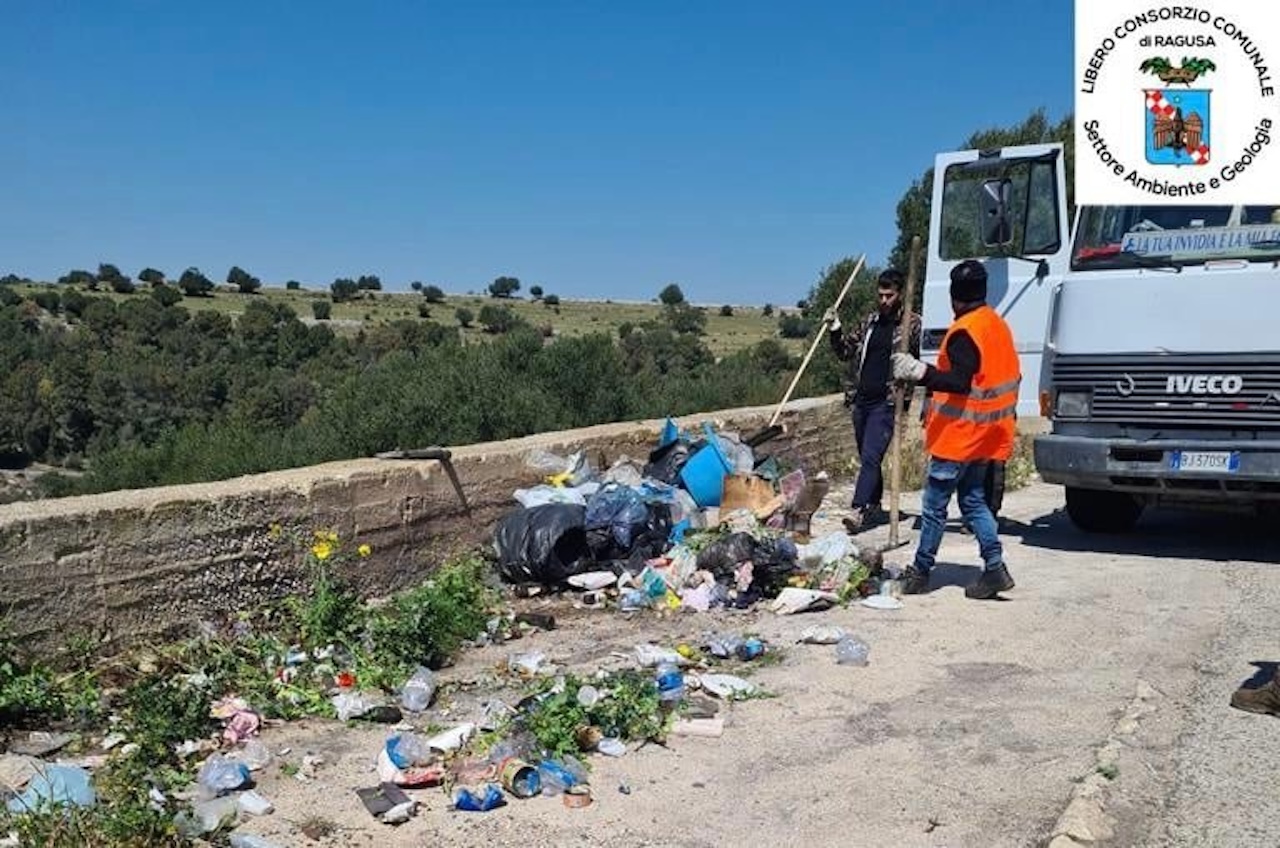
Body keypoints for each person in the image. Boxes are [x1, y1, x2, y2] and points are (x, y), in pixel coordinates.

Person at [889, 259, 1020, 600]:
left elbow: (960, 382)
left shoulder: (964, 332)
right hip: (986, 436)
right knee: (974, 502)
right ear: (984, 290)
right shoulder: (997, 325)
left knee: (934, 507)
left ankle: (920, 572)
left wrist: (920, 372)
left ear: (953, 295)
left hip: (959, 436)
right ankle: (994, 568)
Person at [824, 269, 921, 534]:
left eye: (889, 295)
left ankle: (858, 509)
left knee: (870, 455)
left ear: (900, 294)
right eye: (880, 295)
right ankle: (875, 504)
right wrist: (834, 328)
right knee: (868, 457)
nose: (884, 300)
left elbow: (922, 362)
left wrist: (913, 381)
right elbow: (845, 351)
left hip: (888, 402)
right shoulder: (870, 322)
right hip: (861, 399)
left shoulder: (912, 324)